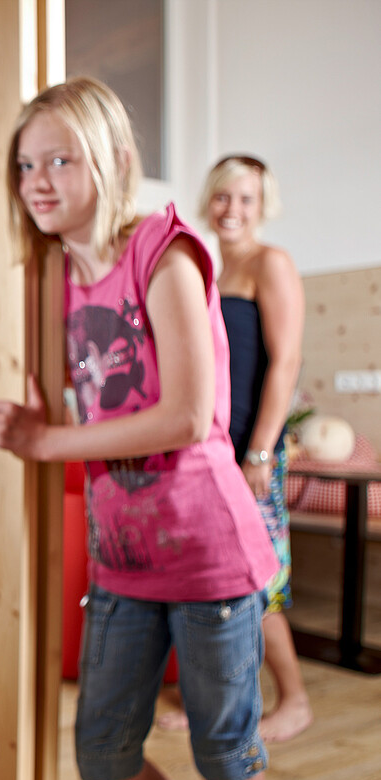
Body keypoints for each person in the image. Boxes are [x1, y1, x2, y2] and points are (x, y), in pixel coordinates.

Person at [0, 77, 278, 780]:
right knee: (104, 750)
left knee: (226, 750)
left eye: (59, 159)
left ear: (112, 159)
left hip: (210, 552)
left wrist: (49, 441)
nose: (37, 180)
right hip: (125, 559)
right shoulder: (53, 275)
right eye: (24, 164)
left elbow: (188, 413)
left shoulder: (162, 246)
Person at [159, 155, 311, 744]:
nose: (232, 209)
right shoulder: (210, 273)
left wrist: (262, 453)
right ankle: (223, 704)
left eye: (246, 199)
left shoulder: (270, 264)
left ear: (261, 206)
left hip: (252, 456)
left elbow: (287, 361)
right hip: (213, 453)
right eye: (223, 196)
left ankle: (295, 701)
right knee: (213, 583)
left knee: (257, 580)